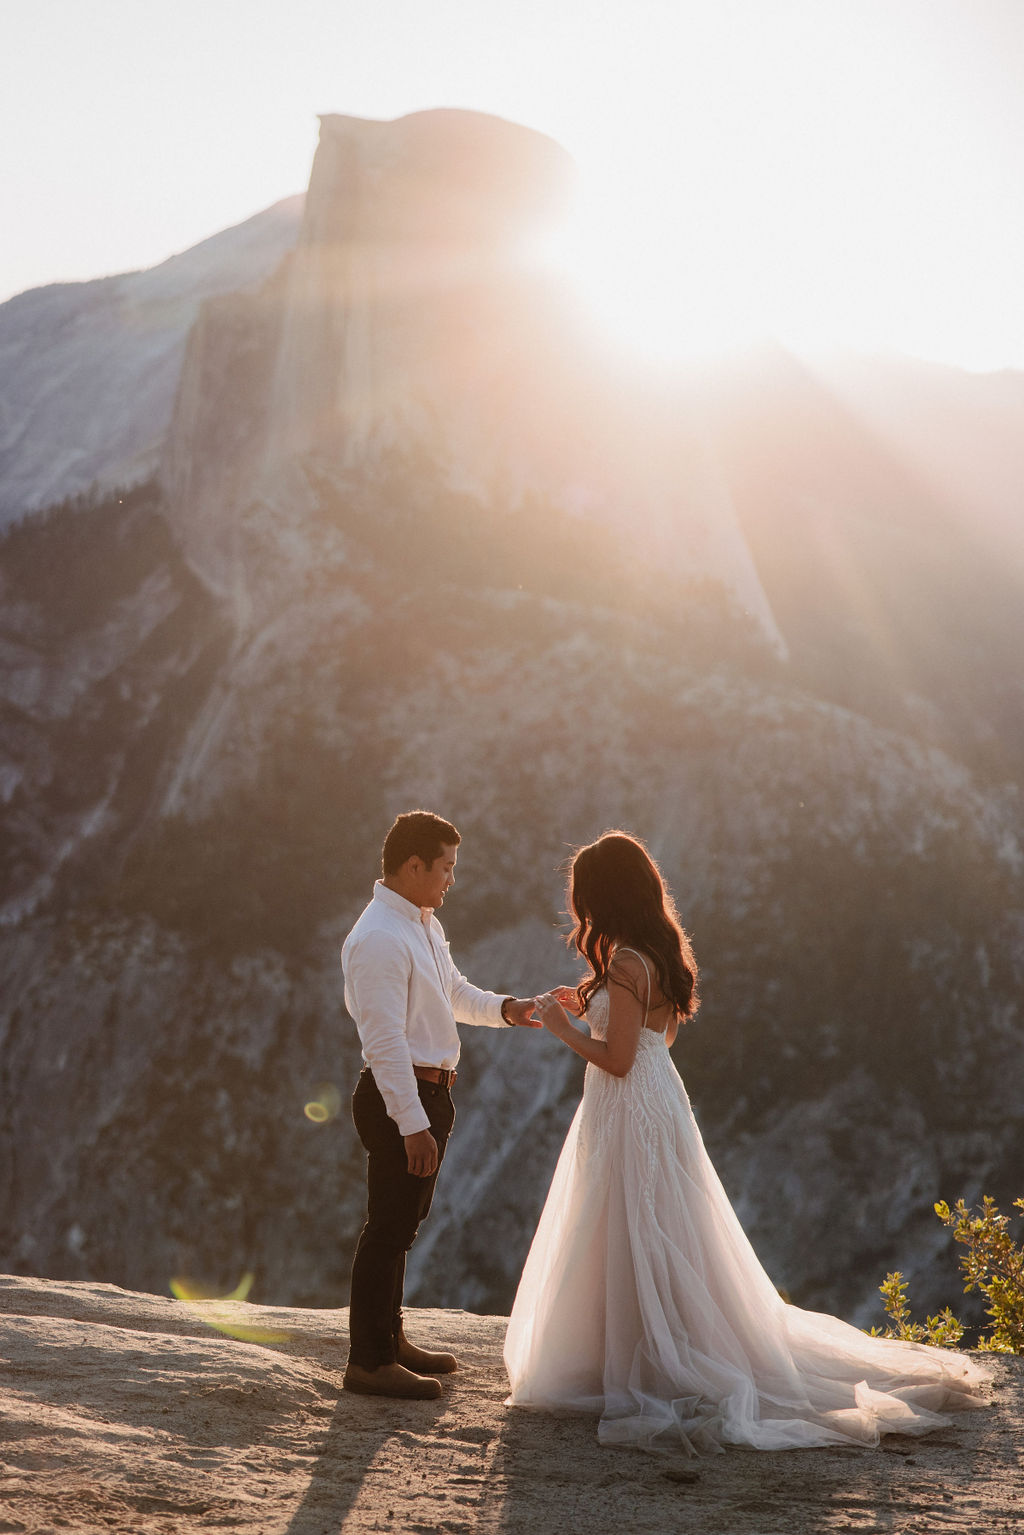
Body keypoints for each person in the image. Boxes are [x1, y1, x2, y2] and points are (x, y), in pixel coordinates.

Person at [504, 830, 989, 1452]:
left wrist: (559, 1026)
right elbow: (658, 1042)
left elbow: (618, 1059)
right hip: (658, 1100)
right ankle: (643, 1347)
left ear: (602, 896)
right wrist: (593, 1005)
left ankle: (633, 1357)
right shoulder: (654, 952)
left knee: (628, 1222)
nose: (579, 910)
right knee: (657, 1225)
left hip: (626, 1101)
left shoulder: (625, 962)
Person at [342, 809, 538, 1400]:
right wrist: (413, 1123)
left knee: (402, 1226)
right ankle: (369, 1361)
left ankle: (389, 1341)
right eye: (446, 867)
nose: (452, 878)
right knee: (387, 1230)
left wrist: (510, 1008)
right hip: (401, 1095)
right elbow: (383, 1042)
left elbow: (453, 992)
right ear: (413, 865)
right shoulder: (379, 936)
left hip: (428, 1090)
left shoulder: (420, 923)